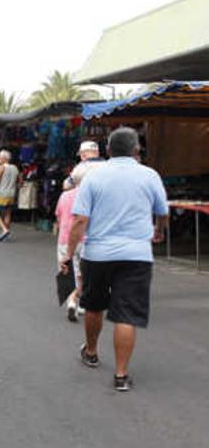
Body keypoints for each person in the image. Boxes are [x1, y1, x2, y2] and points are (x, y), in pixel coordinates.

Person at [60, 127, 168, 392]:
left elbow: (79, 220)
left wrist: (68, 253)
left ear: (107, 150)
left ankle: (92, 352)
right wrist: (159, 230)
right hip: (137, 255)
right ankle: (121, 375)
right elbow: (162, 211)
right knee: (127, 314)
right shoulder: (150, 175)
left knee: (94, 306)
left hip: (97, 254)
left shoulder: (94, 178)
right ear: (137, 150)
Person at [54, 164, 93, 322]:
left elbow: (58, 215)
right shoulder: (90, 196)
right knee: (81, 272)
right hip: (85, 238)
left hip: (65, 238)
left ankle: (71, 302)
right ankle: (82, 301)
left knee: (67, 270)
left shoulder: (65, 196)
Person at [0, 150, 20, 242]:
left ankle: (4, 229)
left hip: (1, 193)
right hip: (11, 194)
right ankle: (5, 233)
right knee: (7, 213)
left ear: (4, 159)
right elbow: (20, 181)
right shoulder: (15, 168)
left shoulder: (1, 167)